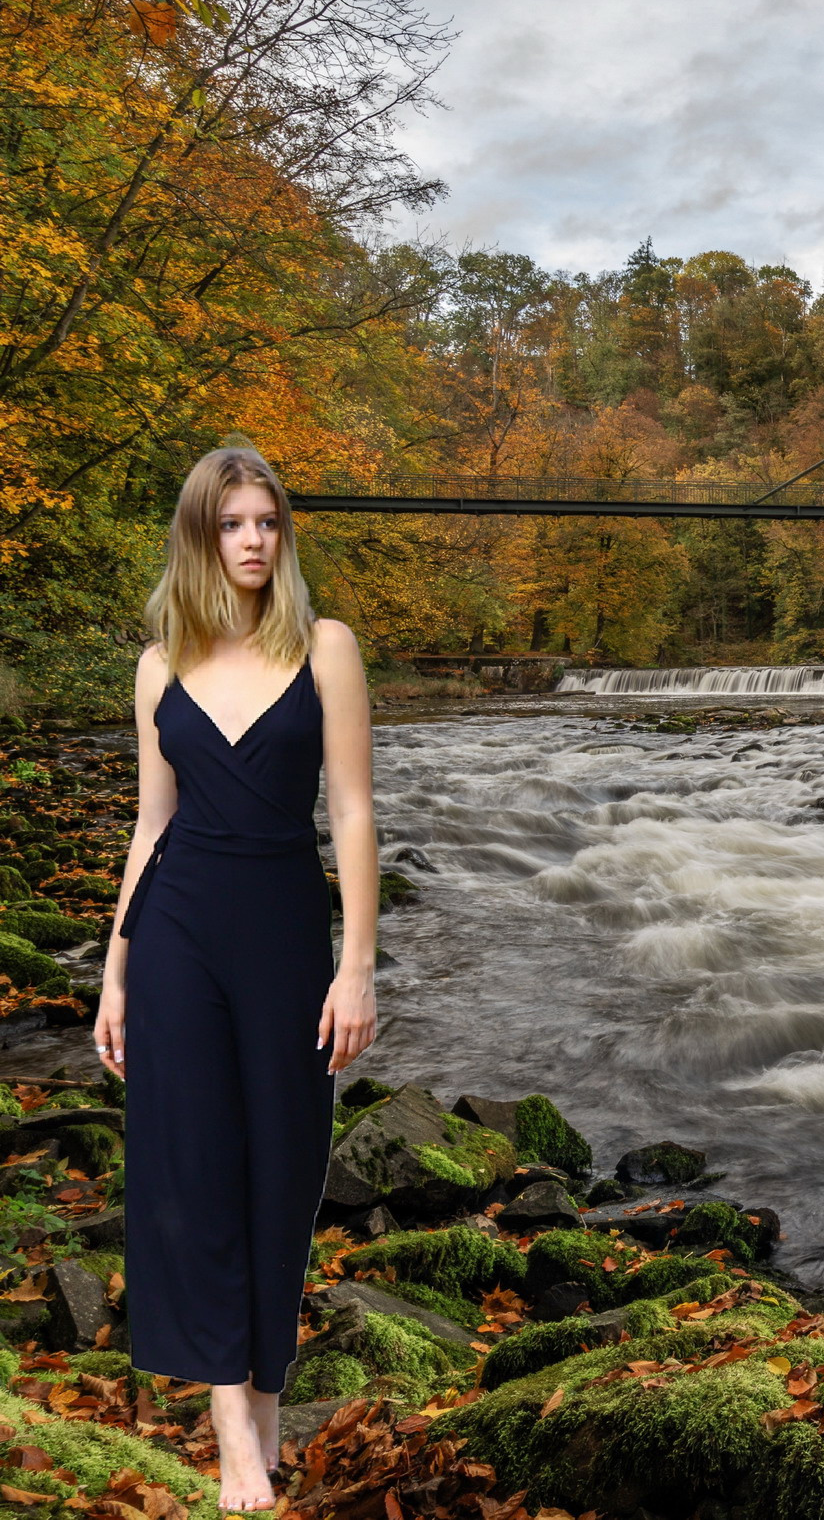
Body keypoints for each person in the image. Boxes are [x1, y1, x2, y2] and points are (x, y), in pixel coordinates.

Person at [93, 446, 381, 1513]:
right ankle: (231, 1423)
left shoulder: (327, 646)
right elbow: (150, 822)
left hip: (286, 933)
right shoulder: (158, 665)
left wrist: (357, 964)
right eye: (233, 524)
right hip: (174, 934)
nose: (255, 539)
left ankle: (264, 1388)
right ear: (200, 537)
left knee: (286, 1168)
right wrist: (115, 970)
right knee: (196, 1168)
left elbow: (351, 809)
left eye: (268, 521)